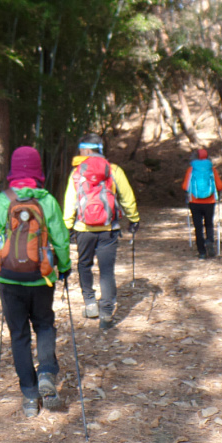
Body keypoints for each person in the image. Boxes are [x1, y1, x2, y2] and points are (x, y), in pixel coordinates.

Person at [0, 146, 72, 418]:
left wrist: (7, 253)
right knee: (44, 325)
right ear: (37, 170)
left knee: (19, 334)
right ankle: (46, 372)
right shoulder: (47, 201)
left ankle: (30, 397)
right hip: (41, 277)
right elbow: (60, 239)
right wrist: (64, 267)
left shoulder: (2, 201)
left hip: (9, 279)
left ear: (13, 170)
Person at [62, 133, 139, 330]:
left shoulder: (77, 172)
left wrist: (67, 225)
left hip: (83, 229)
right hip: (108, 229)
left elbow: (70, 201)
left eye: (81, 149)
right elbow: (127, 196)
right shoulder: (114, 170)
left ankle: (90, 304)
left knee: (84, 265)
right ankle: (106, 313)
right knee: (106, 271)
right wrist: (134, 218)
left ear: (87, 150)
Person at [183, 148, 222, 260]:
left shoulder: (191, 169)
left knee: (198, 227)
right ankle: (209, 241)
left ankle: (201, 252)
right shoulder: (212, 169)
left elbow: (185, 186)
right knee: (209, 224)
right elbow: (220, 186)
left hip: (194, 202)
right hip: (210, 202)